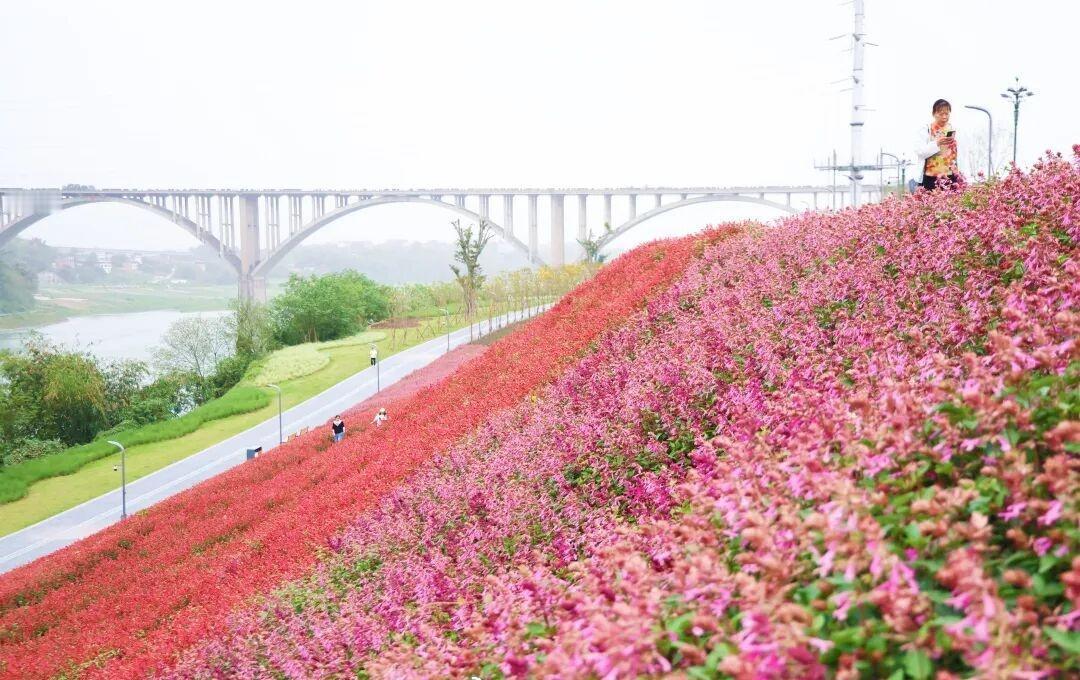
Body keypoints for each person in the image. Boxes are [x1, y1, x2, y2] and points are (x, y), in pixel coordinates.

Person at [914, 99, 960, 191]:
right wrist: (937, 143)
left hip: (951, 176)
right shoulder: (926, 129)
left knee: (951, 204)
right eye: (941, 114)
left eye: (947, 114)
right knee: (931, 203)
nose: (944, 117)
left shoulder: (953, 129)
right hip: (931, 177)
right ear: (934, 113)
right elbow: (920, 151)